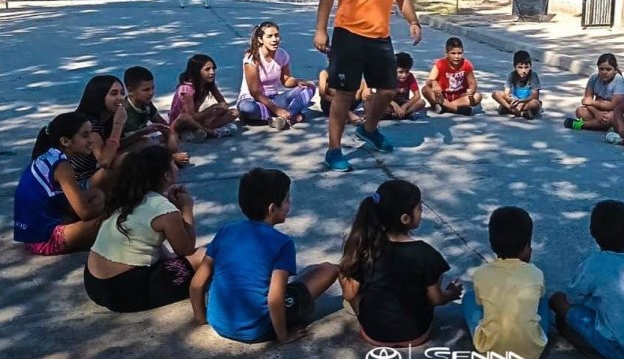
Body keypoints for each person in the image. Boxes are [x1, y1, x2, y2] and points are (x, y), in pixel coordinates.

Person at [314, 0, 423, 172]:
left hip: (379, 38)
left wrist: (413, 21)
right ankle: (334, 150)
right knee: (344, 94)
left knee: (387, 90)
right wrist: (320, 30)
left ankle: (369, 129)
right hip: (348, 36)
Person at [190, 168, 339, 344]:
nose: (289, 205)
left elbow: (197, 284)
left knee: (312, 270)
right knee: (329, 270)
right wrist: (283, 337)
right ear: (272, 209)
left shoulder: (226, 230)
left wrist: (201, 318)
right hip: (257, 329)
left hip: (218, 322)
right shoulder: (282, 243)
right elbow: (275, 298)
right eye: (287, 200)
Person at [338, 180, 461, 347]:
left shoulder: (364, 248)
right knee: (430, 280)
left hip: (374, 334)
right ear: (405, 218)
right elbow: (437, 299)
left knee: (354, 282)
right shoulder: (426, 253)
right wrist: (452, 293)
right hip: (416, 335)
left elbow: (349, 294)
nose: (422, 211)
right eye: (419, 208)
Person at [84, 145, 205, 312]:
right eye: (173, 164)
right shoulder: (163, 208)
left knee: (148, 237)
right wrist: (186, 208)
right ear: (167, 175)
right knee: (204, 257)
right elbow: (186, 249)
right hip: (125, 292)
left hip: (94, 284)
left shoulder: (129, 196)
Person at [549, 200, 624, 359]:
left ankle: (587, 344)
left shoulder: (595, 264)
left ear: (592, 232)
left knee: (557, 300)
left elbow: (573, 298)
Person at [463, 207, 549, 359]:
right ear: (526, 247)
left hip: (489, 350)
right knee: (543, 301)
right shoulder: (536, 273)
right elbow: (539, 296)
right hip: (532, 352)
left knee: (469, 298)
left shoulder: (481, 273)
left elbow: (479, 302)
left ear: (492, 244)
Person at [13, 112, 105, 255]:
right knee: (111, 223)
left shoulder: (49, 155)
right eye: (85, 135)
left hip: (31, 231)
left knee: (97, 193)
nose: (91, 140)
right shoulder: (62, 166)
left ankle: (71, 223)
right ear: (65, 141)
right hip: (43, 240)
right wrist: (108, 212)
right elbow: (85, 213)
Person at [238, 21, 317, 130]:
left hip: (274, 99)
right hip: (253, 100)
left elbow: (286, 80)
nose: (274, 39)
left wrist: (298, 81)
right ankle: (290, 116)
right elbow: (254, 92)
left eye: (276, 35)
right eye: (269, 36)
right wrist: (277, 110)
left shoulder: (282, 54)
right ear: (260, 39)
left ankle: (285, 117)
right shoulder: (252, 59)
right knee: (247, 108)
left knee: (310, 88)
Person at [122, 66, 190, 166]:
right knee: (145, 143)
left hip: (142, 141)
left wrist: (169, 133)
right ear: (130, 90)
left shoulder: (146, 104)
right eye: (146, 90)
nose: (151, 93)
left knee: (170, 136)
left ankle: (164, 156)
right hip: (126, 148)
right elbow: (125, 142)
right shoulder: (125, 111)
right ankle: (169, 159)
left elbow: (162, 124)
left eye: (152, 88)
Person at [71, 75, 128, 189]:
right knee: (123, 162)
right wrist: (118, 125)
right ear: (99, 97)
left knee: (143, 144)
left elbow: (116, 144)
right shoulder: (88, 125)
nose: (120, 97)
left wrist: (141, 135)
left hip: (93, 173)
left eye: (122, 93)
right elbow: (105, 161)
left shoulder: (108, 118)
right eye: (113, 93)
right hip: (79, 181)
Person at [169, 54, 239, 141]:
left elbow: (224, 105)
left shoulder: (208, 84)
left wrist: (212, 116)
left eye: (213, 68)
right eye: (207, 69)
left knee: (234, 112)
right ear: (197, 72)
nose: (212, 72)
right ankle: (213, 133)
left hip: (196, 121)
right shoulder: (186, 89)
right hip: (181, 123)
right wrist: (213, 108)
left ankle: (197, 132)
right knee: (185, 117)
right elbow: (191, 116)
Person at [564, 53, 624, 131]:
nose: (604, 72)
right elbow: (586, 101)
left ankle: (582, 125)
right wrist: (596, 112)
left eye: (608, 69)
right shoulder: (594, 78)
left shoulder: (620, 82)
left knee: (610, 117)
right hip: (599, 111)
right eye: (601, 69)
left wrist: (593, 102)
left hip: (617, 114)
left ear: (615, 70)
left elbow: (614, 105)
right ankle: (605, 126)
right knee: (580, 111)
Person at [422, 37, 482, 115]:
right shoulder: (440, 64)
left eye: (459, 53)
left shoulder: (466, 64)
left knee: (478, 96)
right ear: (447, 53)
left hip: (460, 97)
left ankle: (446, 107)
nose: (457, 57)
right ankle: (455, 109)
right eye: (453, 53)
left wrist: (471, 90)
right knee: (425, 89)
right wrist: (434, 83)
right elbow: (428, 81)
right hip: (443, 97)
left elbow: (473, 83)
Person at [491, 50, 542, 120]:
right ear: (515, 67)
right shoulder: (512, 75)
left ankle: (509, 109)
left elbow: (535, 95)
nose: (523, 71)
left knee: (536, 103)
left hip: (527, 101)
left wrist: (522, 101)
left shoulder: (533, 75)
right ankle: (515, 110)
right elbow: (506, 93)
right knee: (495, 94)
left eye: (526, 67)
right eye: (520, 67)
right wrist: (511, 100)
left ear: (530, 66)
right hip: (515, 100)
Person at [380, 52, 426, 120]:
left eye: (407, 72)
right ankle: (395, 114)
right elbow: (381, 94)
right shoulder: (388, 77)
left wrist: (405, 106)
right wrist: (394, 104)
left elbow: (417, 96)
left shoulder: (410, 77)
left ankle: (402, 114)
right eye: (400, 72)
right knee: (375, 102)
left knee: (421, 102)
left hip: (404, 104)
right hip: (390, 104)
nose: (404, 75)